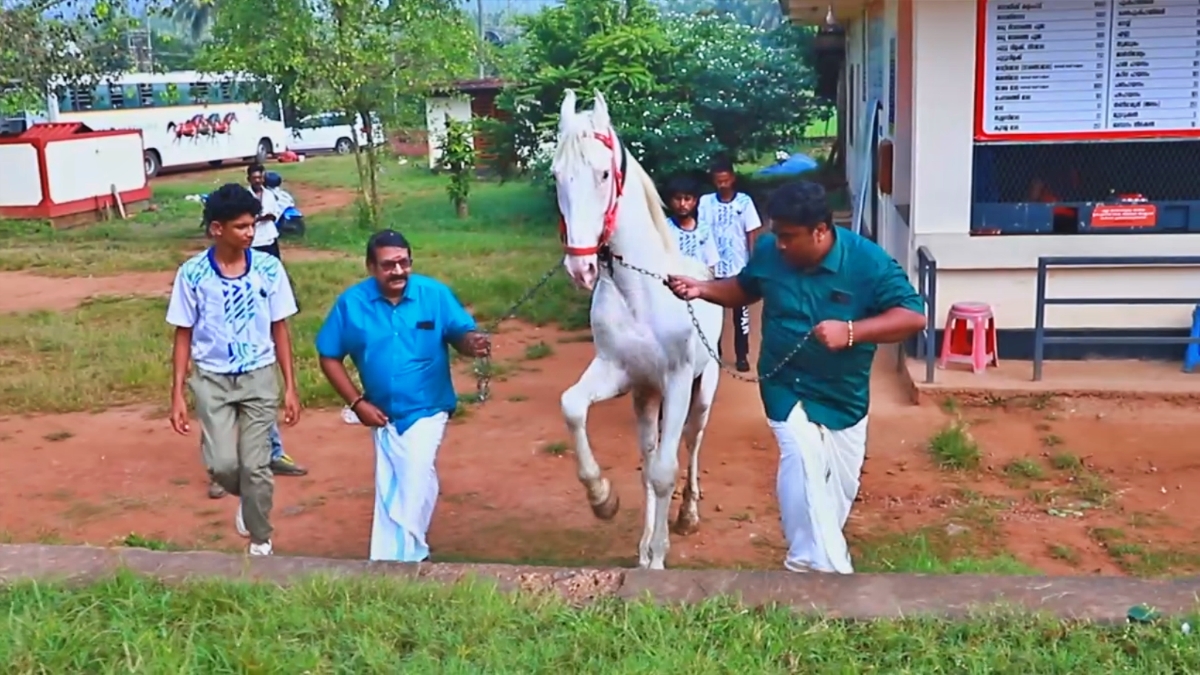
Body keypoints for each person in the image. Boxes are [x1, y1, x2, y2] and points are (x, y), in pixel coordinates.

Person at [665, 180, 925, 574]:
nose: (779, 244)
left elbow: (913, 316)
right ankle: (825, 571)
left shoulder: (868, 263)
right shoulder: (770, 250)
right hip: (783, 382)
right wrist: (702, 289)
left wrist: (852, 332)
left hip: (843, 395)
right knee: (802, 460)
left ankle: (813, 561)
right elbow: (744, 288)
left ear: (820, 230)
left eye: (788, 236)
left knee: (838, 490)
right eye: (776, 234)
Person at [315, 229, 489, 563]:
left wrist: (473, 344)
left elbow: (461, 335)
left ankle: (400, 559)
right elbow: (329, 355)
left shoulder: (434, 295)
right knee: (409, 478)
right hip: (381, 413)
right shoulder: (352, 304)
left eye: (403, 263)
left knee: (410, 477)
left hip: (428, 408)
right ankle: (411, 549)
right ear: (370, 267)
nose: (398, 271)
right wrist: (357, 403)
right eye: (388, 265)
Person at [167, 183, 302, 556]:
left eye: (252, 225)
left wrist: (290, 386)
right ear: (217, 229)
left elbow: (280, 328)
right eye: (242, 226)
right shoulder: (193, 274)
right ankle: (248, 498)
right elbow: (183, 334)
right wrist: (177, 393)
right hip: (211, 379)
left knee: (258, 467)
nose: (250, 233)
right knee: (224, 465)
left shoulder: (269, 270)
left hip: (259, 375)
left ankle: (260, 541)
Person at [698, 156, 763, 372]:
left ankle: (742, 355)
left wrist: (752, 261)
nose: (722, 185)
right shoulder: (706, 202)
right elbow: (701, 231)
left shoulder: (744, 203)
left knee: (740, 315)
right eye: (718, 181)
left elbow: (751, 232)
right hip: (713, 267)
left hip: (738, 267)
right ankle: (714, 353)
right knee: (713, 313)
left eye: (725, 180)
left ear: (732, 179)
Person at [663, 176, 719, 273]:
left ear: (694, 201)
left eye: (687, 199)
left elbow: (711, 263)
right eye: (678, 199)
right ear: (671, 201)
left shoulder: (703, 229)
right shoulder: (664, 227)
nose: (682, 204)